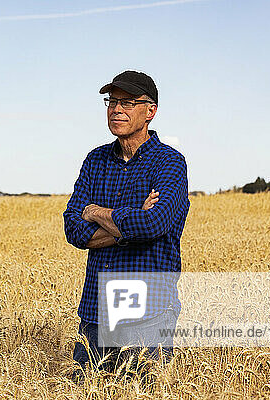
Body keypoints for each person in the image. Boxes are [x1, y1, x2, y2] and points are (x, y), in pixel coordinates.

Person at [62, 70, 190, 382]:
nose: (117, 109)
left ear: (151, 111)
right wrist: (127, 224)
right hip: (96, 311)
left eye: (129, 102)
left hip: (148, 314)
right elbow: (73, 229)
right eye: (113, 101)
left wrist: (95, 212)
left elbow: (152, 223)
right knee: (83, 390)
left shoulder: (169, 162)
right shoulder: (96, 160)